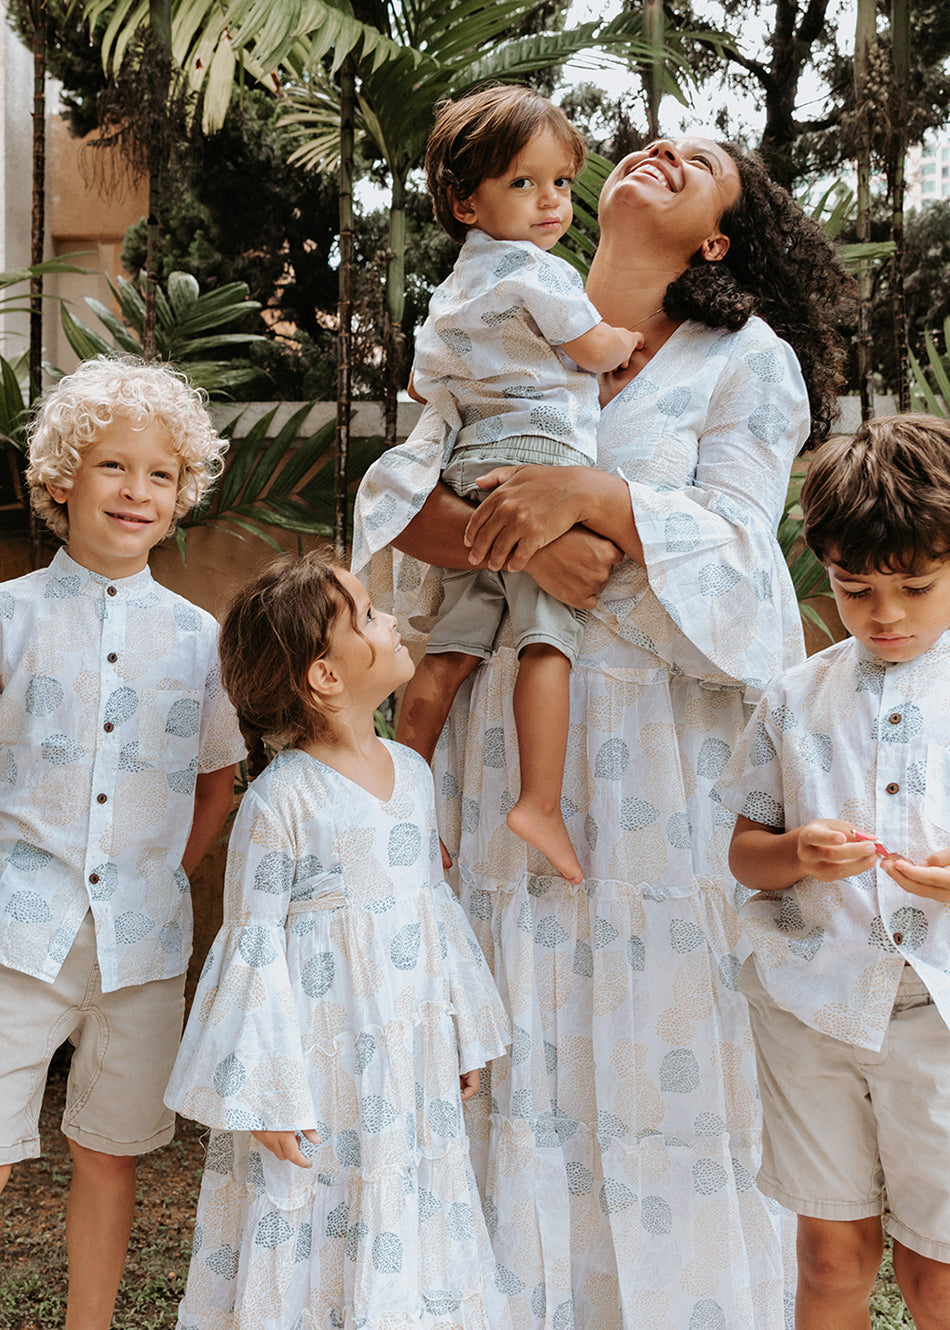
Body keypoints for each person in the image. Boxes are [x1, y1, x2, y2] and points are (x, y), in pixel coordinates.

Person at [352, 135, 852, 1328]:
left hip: (664, 765)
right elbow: (404, 496)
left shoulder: (746, 360)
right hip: (504, 742)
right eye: (656, 140)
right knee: (511, 1034)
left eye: (705, 161)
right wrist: (533, 548)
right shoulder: (507, 304)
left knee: (658, 1039)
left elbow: (743, 568)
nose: (667, 149)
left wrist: (598, 502)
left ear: (717, 240)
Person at [165, 551, 512, 1329]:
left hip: (406, 1060)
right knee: (320, 1208)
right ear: (325, 676)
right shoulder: (281, 802)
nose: (390, 621)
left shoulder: (412, 774)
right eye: (369, 615)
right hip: (320, 1073)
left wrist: (457, 1027)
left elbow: (431, 915)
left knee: (407, 1204)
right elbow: (252, 951)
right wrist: (265, 1094)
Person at [0, 355, 245, 1330]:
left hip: (141, 948)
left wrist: (162, 877)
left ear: (181, 495)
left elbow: (217, 780)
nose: (137, 490)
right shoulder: (10, 618)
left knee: (110, 1152)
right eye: (113, 466)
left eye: (160, 474)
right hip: (17, 931)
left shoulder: (198, 638)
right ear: (62, 478)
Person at [718, 414, 950, 1330]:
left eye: (916, 587)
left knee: (936, 1276)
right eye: (856, 590)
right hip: (813, 1010)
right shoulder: (795, 698)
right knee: (829, 1257)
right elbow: (746, 854)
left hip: (939, 1017)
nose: (885, 614)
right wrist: (796, 855)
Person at [399, 86, 641, 885]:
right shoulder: (539, 270)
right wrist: (622, 342)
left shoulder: (452, 287)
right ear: (465, 203)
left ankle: (398, 799)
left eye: (561, 183)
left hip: (470, 467)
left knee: (449, 653)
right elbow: (596, 349)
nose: (551, 202)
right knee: (547, 639)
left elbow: (420, 383)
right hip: (533, 463)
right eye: (524, 183)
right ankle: (539, 801)